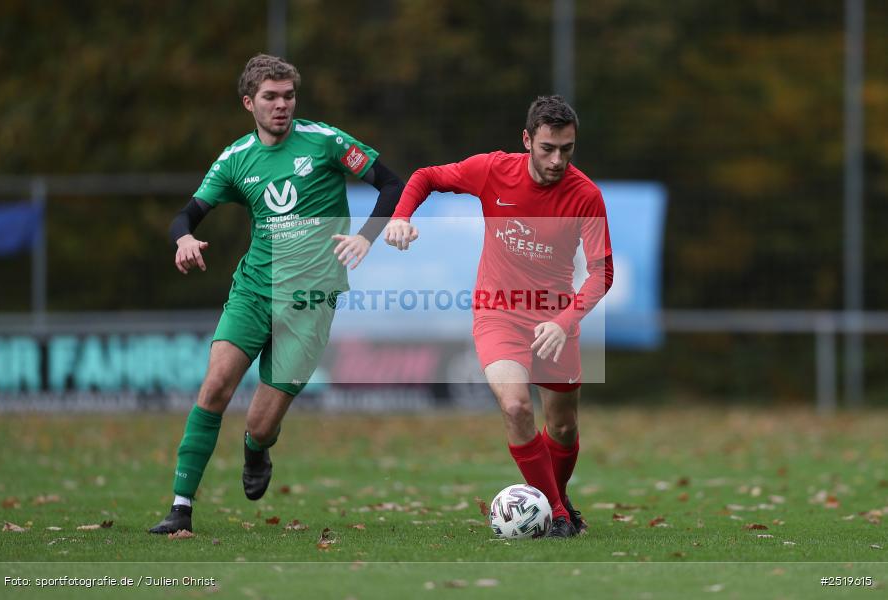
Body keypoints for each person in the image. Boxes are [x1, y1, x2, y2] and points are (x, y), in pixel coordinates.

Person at [149, 54, 404, 534]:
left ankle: (256, 449)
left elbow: (392, 184)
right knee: (215, 387)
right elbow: (186, 216)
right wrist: (183, 239)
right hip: (254, 291)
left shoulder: (326, 142)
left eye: (288, 95)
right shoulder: (235, 159)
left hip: (310, 300)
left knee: (261, 424)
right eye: (270, 97)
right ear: (249, 103)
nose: (281, 105)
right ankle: (180, 507)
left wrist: (365, 237)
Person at [384, 96, 612, 538]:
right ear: (527, 140)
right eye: (547, 148)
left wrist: (564, 322)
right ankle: (557, 515)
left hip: (556, 320)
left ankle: (557, 499)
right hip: (499, 312)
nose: (557, 160)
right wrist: (400, 217)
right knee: (515, 405)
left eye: (566, 149)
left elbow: (602, 272)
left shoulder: (585, 195)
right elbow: (426, 176)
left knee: (563, 427)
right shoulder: (493, 170)